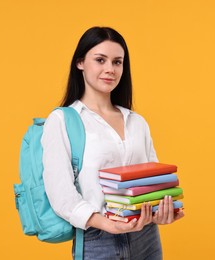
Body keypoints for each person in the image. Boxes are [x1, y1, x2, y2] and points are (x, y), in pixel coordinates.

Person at [41, 26, 184, 260]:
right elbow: (61, 195)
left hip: (146, 237)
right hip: (97, 239)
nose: (110, 69)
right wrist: (108, 224)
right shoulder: (62, 121)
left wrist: (161, 211)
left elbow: (152, 180)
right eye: (100, 60)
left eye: (117, 62)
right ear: (80, 63)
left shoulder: (137, 122)